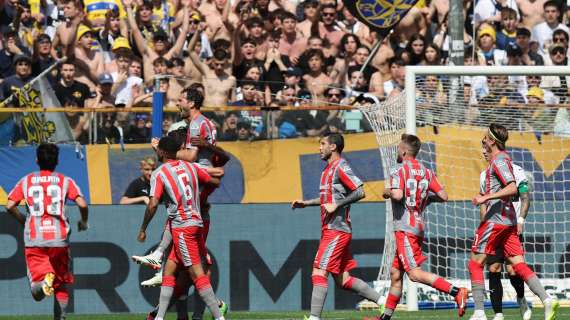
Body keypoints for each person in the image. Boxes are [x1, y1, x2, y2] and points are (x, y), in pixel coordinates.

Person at [469, 123, 558, 320]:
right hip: (504, 221)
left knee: (476, 264)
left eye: (485, 138)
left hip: (500, 221)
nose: (483, 141)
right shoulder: (494, 167)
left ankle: (479, 312)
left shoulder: (501, 163)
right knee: (514, 265)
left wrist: (486, 199)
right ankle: (546, 299)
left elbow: (515, 190)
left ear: (492, 141)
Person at [291, 133, 384, 320]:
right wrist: (306, 203)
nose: (319, 147)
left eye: (322, 144)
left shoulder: (341, 166)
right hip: (330, 229)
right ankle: (383, 300)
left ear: (333, 147)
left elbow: (360, 191)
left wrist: (337, 205)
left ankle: (314, 318)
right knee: (344, 280)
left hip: (337, 230)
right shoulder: (326, 171)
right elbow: (329, 200)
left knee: (319, 271)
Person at [380, 134, 468, 320]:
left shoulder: (398, 169)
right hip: (418, 225)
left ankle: (456, 292)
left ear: (404, 151)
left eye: (398, 148)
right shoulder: (427, 172)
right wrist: (425, 198)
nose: (397, 151)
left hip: (405, 228)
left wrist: (387, 191)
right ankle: (385, 318)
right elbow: (444, 196)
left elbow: (397, 195)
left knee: (413, 274)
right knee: (396, 273)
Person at [136, 136, 225, 320]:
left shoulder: (159, 173)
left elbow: (153, 204)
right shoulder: (191, 167)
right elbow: (215, 181)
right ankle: (158, 317)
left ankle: (218, 316)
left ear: (160, 152)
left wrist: (143, 228)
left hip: (183, 227)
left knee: (197, 274)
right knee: (169, 269)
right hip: (197, 223)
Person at [5, 143, 89, 320]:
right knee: (61, 285)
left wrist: (23, 220)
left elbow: (10, 205)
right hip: (59, 240)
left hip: (35, 240)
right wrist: (83, 221)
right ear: (57, 161)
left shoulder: (26, 180)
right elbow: (82, 204)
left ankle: (44, 282)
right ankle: (61, 317)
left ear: (37, 160)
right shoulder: (65, 181)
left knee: (37, 292)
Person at [479, 143, 532, 320]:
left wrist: (521, 220)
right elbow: (483, 204)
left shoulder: (517, 171)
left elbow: (525, 197)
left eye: (486, 148)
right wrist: (484, 224)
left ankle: (522, 299)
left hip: (511, 227)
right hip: (493, 228)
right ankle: (498, 314)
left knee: (514, 270)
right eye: (483, 149)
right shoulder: (484, 175)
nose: (484, 152)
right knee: (493, 268)